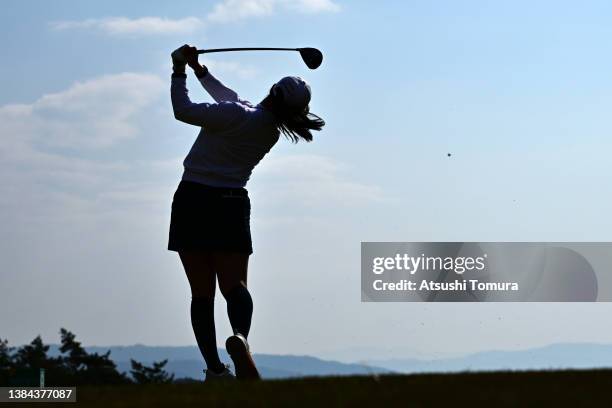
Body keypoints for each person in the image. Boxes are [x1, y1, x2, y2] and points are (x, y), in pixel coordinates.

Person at [167, 45, 325, 381]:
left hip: (192, 198)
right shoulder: (267, 129)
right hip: (230, 203)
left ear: (273, 90)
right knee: (234, 285)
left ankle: (214, 369)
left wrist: (178, 69)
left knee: (201, 292)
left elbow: (183, 110)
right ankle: (240, 337)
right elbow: (233, 99)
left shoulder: (235, 115)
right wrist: (200, 70)